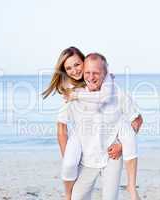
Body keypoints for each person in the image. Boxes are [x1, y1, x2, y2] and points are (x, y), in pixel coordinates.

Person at [42, 47, 126, 200]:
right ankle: (67, 196)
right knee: (69, 168)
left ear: (85, 61)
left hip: (108, 147)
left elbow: (122, 117)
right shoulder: (69, 91)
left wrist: (122, 143)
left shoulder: (104, 83)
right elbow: (61, 126)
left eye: (77, 64)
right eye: (68, 68)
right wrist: (67, 156)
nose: (74, 70)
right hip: (85, 145)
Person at [58, 53, 143, 200]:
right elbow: (61, 129)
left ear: (105, 74)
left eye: (96, 73)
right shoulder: (74, 95)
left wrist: (121, 145)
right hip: (87, 160)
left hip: (111, 157)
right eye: (88, 73)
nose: (91, 77)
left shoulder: (117, 93)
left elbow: (137, 120)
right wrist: (70, 162)